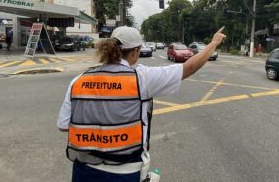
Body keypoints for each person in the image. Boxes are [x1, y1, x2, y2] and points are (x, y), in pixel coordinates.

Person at [57, 26, 226, 182]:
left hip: (83, 171)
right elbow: (188, 68)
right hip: (125, 172)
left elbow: (64, 125)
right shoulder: (142, 78)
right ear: (135, 52)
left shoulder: (78, 80)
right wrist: (214, 43)